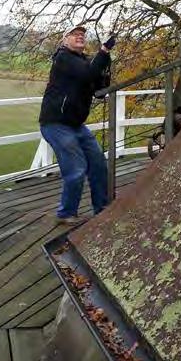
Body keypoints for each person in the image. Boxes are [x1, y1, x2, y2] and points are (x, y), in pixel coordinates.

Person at [39, 26, 116, 225]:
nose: (80, 36)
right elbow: (86, 74)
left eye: (82, 35)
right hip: (55, 123)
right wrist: (104, 52)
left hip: (75, 124)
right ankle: (66, 213)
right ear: (65, 40)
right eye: (75, 35)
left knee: (98, 163)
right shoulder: (63, 58)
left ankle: (102, 207)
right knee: (76, 168)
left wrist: (105, 63)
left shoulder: (85, 62)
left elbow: (99, 86)